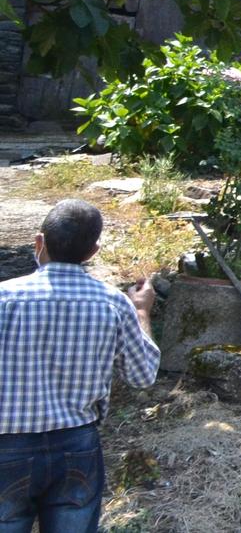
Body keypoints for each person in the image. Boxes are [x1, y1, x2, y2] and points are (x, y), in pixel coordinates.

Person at [0, 199, 159, 532]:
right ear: (93, 251)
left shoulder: (4, 298)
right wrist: (142, 311)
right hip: (77, 446)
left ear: (39, 243)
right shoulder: (114, 302)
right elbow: (143, 376)